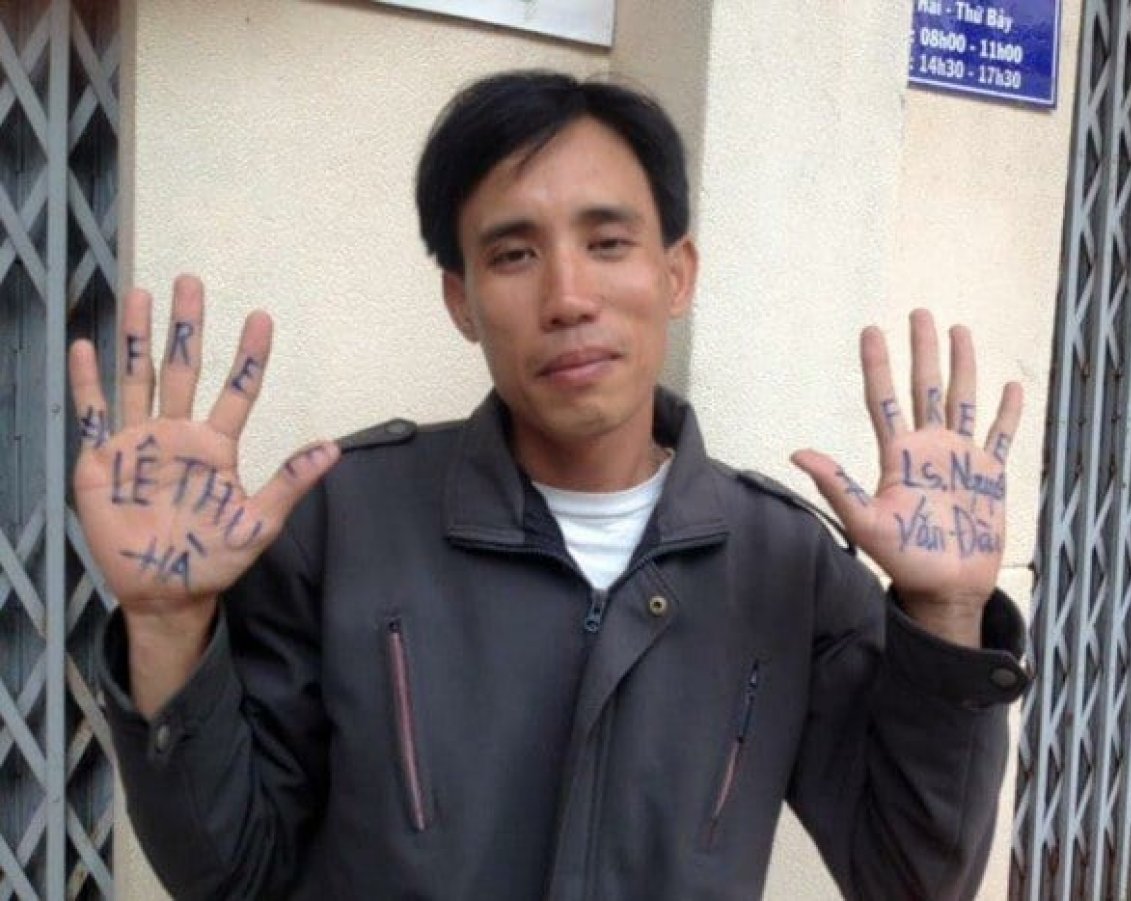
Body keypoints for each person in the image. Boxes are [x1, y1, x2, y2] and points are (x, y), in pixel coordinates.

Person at [71, 70, 1030, 900]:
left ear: (677, 274)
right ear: (461, 298)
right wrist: (167, 625)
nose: (568, 297)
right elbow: (230, 873)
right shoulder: (346, 524)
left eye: (608, 243)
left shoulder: (786, 563)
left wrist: (946, 614)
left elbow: (914, 875)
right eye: (514, 254)